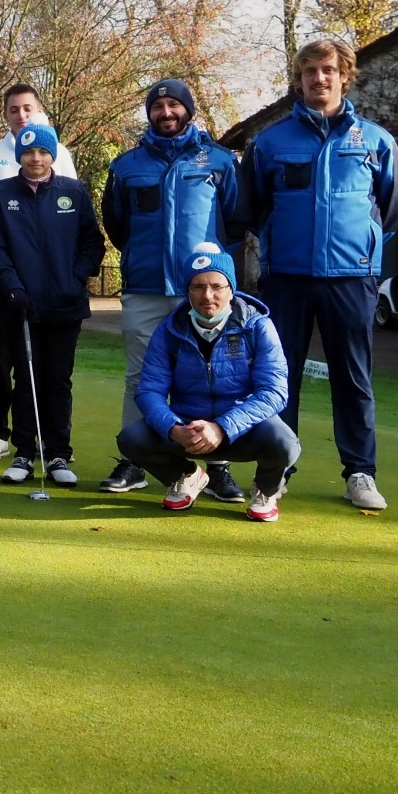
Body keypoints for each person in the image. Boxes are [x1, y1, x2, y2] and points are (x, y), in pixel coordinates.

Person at [244, 36, 398, 511]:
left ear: (345, 75)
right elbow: (252, 206)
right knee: (279, 378)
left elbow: (395, 208)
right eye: (310, 71)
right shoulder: (271, 142)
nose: (319, 78)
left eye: (328, 70)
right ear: (299, 80)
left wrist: (364, 248)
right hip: (287, 279)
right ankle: (277, 472)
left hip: (350, 279)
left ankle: (360, 472)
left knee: (353, 378)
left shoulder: (376, 140)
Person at [97, 78, 244, 496]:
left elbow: (235, 222)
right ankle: (136, 461)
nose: (166, 112)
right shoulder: (125, 166)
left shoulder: (218, 161)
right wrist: (146, 257)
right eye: (158, 106)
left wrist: (212, 271)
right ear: (149, 113)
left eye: (173, 105)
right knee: (140, 378)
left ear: (188, 110)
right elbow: (117, 224)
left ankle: (216, 467)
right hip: (144, 287)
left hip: (204, 291)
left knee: (215, 377)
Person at [118, 243, 297, 520]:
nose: (208, 295)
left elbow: (274, 392)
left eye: (216, 286)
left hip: (242, 429)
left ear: (231, 289)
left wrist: (223, 427)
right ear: (188, 292)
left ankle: (265, 489)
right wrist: (173, 427)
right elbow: (149, 391)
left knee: (284, 442)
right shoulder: (169, 330)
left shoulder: (258, 326)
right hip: (188, 429)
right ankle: (186, 476)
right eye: (198, 287)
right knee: (131, 439)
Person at [0, 121, 106, 487]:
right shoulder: (2, 193)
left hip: (65, 304)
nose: (35, 159)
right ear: (19, 155)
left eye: (42, 152)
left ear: (53, 155)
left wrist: (76, 277)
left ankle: (57, 454)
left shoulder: (74, 191)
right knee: (26, 379)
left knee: (57, 380)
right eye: (28, 152)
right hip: (20, 305)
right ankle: (23, 453)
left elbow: (92, 242)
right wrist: (13, 287)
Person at [0, 83, 78, 463]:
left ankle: (53, 445)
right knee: (3, 362)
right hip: (5, 285)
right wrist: (7, 278)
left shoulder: (59, 154)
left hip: (55, 288)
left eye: (27, 108)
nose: (21, 115)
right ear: (6, 114)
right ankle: (2, 434)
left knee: (50, 371)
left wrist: (74, 277)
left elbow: (77, 225)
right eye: (13, 109)